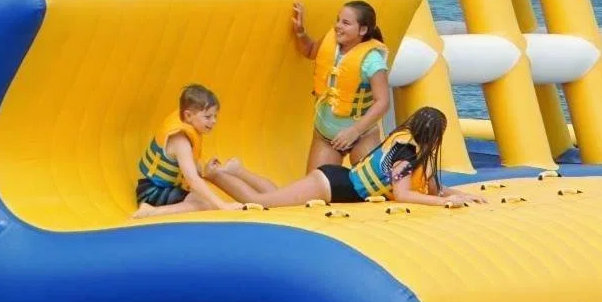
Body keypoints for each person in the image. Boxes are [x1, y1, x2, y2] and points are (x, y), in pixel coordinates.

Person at [207, 107, 485, 209]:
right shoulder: (405, 154)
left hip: (334, 180)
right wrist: (443, 202)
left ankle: (239, 171)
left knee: (280, 196)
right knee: (261, 203)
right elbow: (402, 194)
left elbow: (434, 188)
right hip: (332, 184)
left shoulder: (407, 145)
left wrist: (461, 195)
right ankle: (217, 174)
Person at [132, 84, 269, 218]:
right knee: (206, 203)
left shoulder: (188, 127)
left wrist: (205, 170)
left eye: (215, 116)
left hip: (165, 188)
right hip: (152, 192)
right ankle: (151, 212)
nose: (213, 121)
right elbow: (192, 180)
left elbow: (193, 170)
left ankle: (156, 210)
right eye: (208, 117)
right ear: (188, 115)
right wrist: (223, 206)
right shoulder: (180, 141)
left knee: (206, 197)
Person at [291, 0, 391, 173]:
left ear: (363, 30)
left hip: (362, 136)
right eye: (338, 20)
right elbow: (309, 51)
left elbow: (382, 102)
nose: (338, 26)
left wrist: (354, 131)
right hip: (325, 135)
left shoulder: (372, 60)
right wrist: (300, 32)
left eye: (345, 23)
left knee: (374, 189)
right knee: (315, 193)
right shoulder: (332, 42)